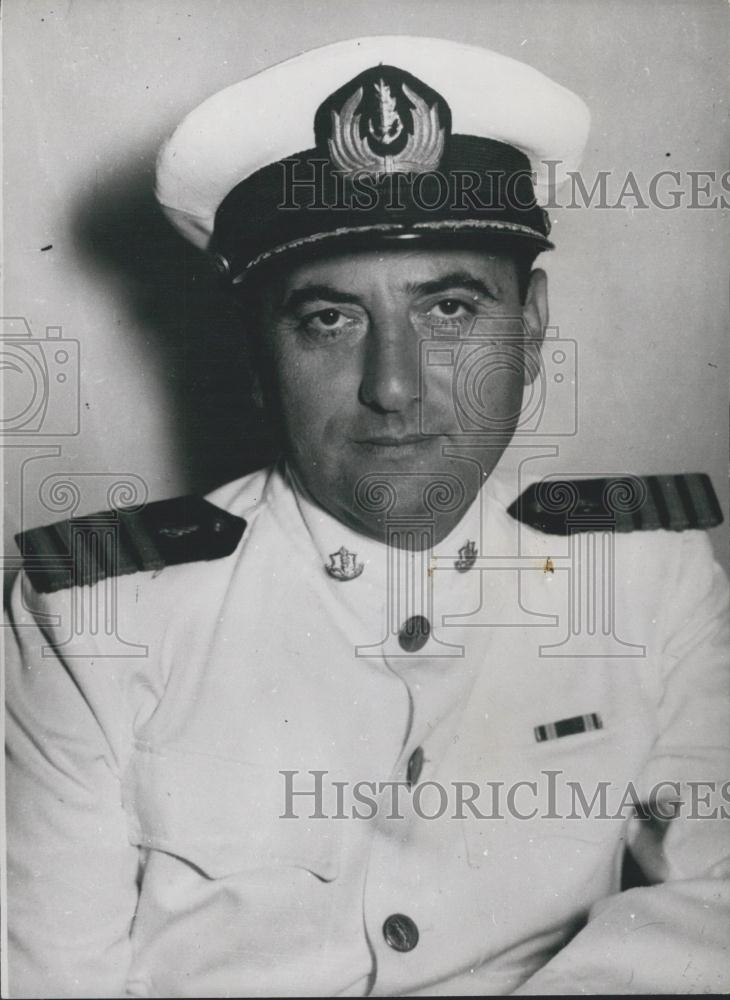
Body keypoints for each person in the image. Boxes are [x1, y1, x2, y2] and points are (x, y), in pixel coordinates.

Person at [5, 35, 729, 998]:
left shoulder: (647, 574)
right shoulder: (93, 616)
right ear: (257, 360)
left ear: (536, 327)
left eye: (451, 310)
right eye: (328, 320)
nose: (393, 387)